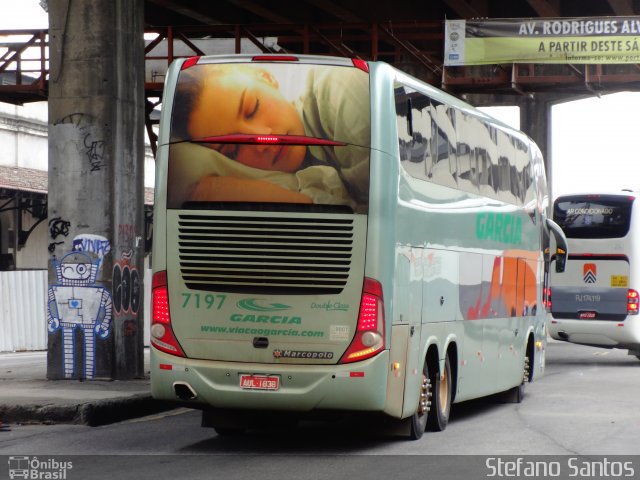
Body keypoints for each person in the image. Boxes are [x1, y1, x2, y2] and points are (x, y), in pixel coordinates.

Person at [168, 61, 370, 211]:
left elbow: (380, 231)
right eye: (234, 148)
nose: (262, 140)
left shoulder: (340, 92)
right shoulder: (289, 177)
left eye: (253, 109)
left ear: (267, 77)